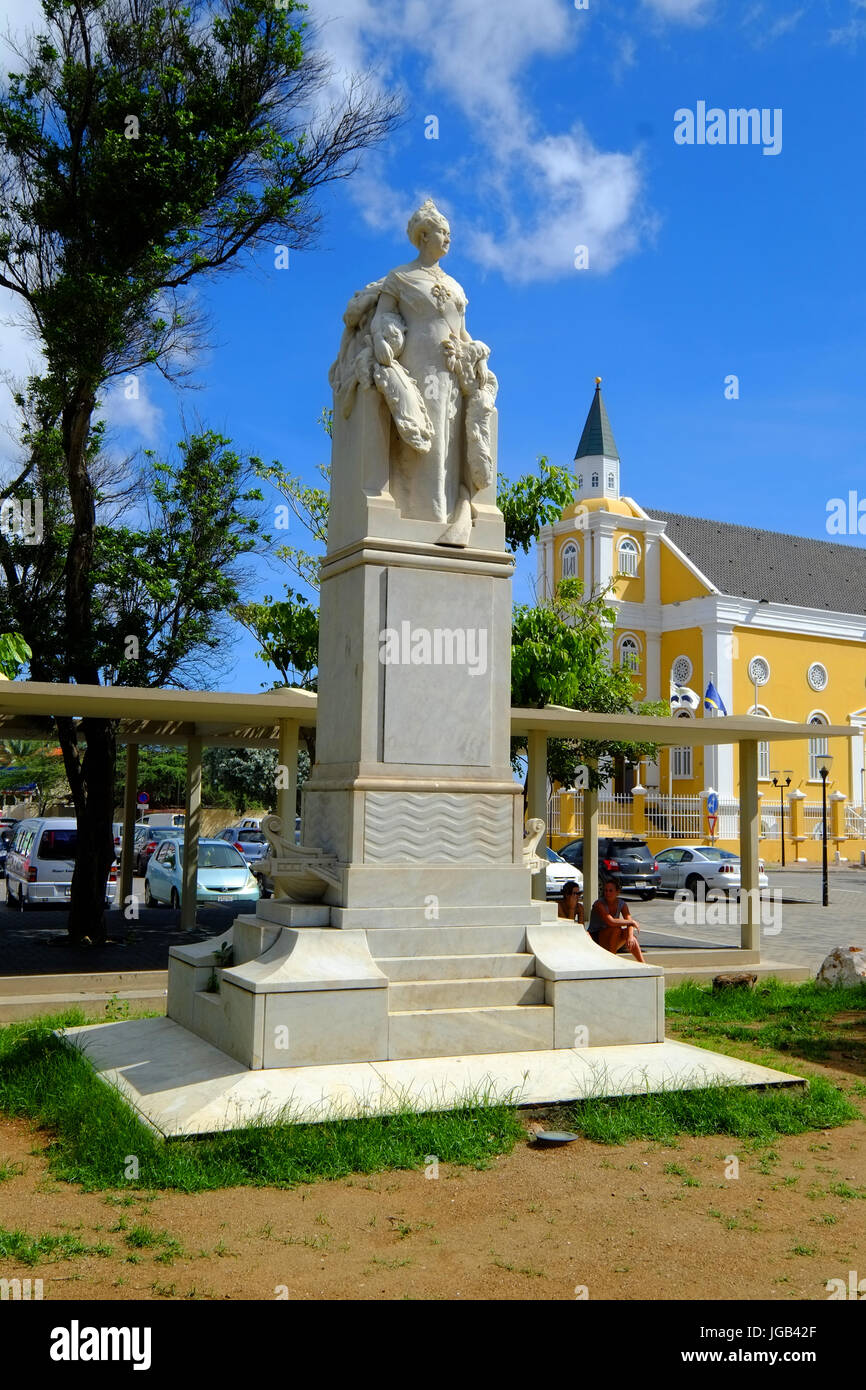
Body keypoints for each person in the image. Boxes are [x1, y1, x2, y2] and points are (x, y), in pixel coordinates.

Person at [587, 878, 645, 963]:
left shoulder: (622, 904)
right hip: (596, 937)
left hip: (612, 937)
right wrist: (632, 922)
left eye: (611, 891)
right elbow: (611, 921)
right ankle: (612, 960)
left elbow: (628, 919)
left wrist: (630, 937)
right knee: (616, 929)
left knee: (629, 935)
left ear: (617, 892)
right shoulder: (599, 904)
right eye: (606, 890)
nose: (607, 893)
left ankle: (643, 964)